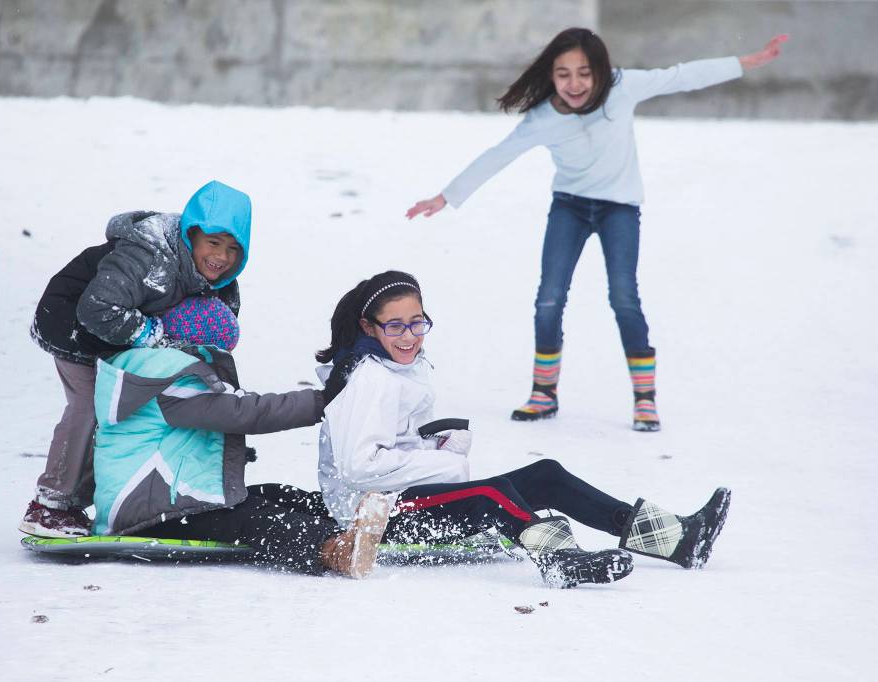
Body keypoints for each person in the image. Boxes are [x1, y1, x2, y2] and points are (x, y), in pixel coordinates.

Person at [406, 29, 788, 430]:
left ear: (601, 72)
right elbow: (498, 156)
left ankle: (645, 399)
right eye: (564, 74)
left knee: (624, 298)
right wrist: (446, 197)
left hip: (618, 209)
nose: (575, 84)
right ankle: (544, 392)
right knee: (549, 299)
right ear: (551, 76)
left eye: (584, 73)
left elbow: (680, 75)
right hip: (569, 207)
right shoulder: (542, 118)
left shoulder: (623, 88)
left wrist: (746, 62)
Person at [316, 271, 731, 588]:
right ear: (370, 327)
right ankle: (559, 560)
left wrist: (431, 445)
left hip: (397, 495)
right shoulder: (370, 379)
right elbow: (358, 466)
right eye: (395, 326)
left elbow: (389, 446)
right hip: (369, 514)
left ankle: (675, 538)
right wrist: (438, 461)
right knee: (488, 495)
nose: (409, 336)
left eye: (417, 322)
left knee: (545, 475)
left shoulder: (394, 368)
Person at [89, 295, 392, 578]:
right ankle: (335, 550)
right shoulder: (167, 379)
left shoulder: (160, 375)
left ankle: (361, 525)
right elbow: (241, 411)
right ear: (197, 347)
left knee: (275, 494)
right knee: (251, 517)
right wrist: (322, 401)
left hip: (169, 500)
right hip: (150, 515)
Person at [20, 180, 252, 537]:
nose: (222, 257)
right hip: (73, 325)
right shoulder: (149, 256)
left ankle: (76, 504)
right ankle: (49, 504)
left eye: (234, 249)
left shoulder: (221, 284)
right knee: (89, 406)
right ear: (191, 236)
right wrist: (151, 337)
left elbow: (217, 339)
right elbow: (97, 307)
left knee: (122, 416)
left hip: (119, 336)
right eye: (214, 243)